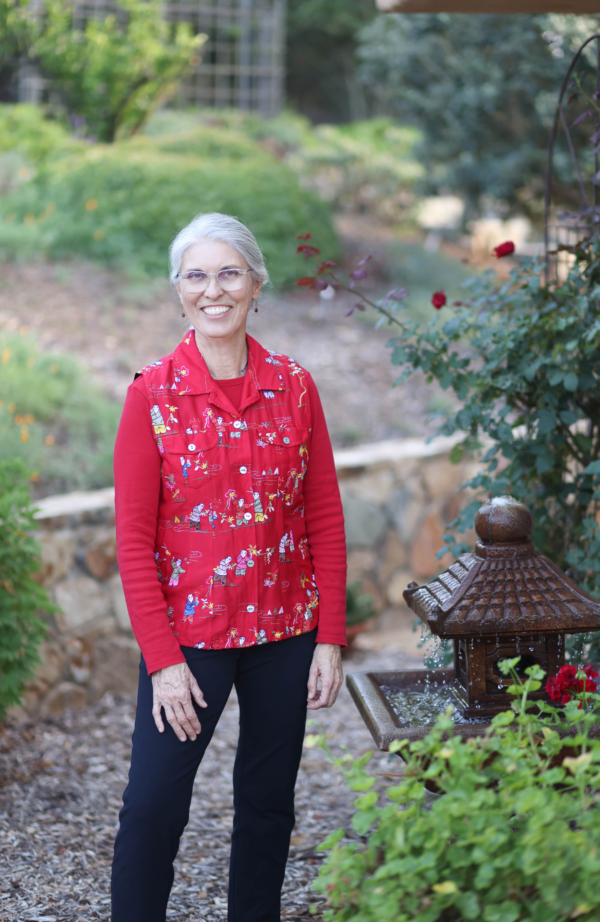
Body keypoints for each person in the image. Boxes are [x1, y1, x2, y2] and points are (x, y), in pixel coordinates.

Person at [111, 212, 347, 922]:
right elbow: (132, 542)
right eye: (196, 275)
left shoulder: (296, 387)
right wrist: (163, 662)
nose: (213, 290)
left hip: (285, 634)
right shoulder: (151, 396)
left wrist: (329, 637)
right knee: (152, 808)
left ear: (255, 283)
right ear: (178, 290)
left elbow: (325, 518)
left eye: (229, 272)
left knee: (269, 805)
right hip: (189, 642)